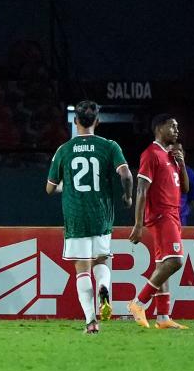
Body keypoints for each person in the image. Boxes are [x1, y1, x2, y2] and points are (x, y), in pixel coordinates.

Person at [46, 100, 133, 334]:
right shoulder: (109, 146)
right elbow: (126, 175)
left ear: (75, 122)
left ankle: (91, 321)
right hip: (101, 214)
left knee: (82, 269)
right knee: (101, 260)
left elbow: (49, 188)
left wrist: (71, 185)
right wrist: (127, 197)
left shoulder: (64, 150)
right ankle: (103, 286)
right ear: (98, 121)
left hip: (76, 215)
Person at [128, 114, 190, 330]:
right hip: (161, 215)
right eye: (172, 126)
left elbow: (185, 189)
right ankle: (139, 303)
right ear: (159, 128)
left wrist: (181, 164)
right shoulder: (151, 154)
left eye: (177, 126)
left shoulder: (172, 156)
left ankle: (163, 317)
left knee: (164, 264)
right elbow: (141, 190)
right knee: (175, 261)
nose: (176, 130)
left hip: (174, 214)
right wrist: (138, 224)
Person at [172, 143, 194, 225]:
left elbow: (193, 200)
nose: (176, 153)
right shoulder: (159, 172)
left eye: (179, 150)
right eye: (173, 151)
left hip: (180, 221)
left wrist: (183, 212)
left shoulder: (192, 176)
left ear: (183, 153)